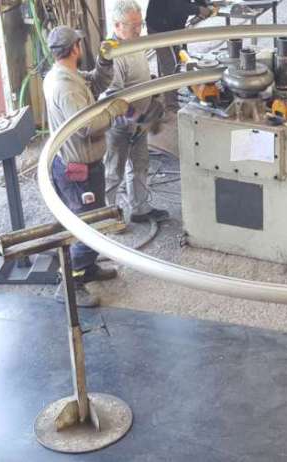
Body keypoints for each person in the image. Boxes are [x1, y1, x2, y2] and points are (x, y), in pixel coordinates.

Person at [43, 25, 132, 307]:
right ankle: (70, 283)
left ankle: (88, 268)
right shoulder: (66, 87)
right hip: (78, 172)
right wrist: (114, 110)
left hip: (84, 166)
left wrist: (105, 62)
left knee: (93, 220)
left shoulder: (65, 75)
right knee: (88, 227)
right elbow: (87, 126)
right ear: (75, 49)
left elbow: (94, 83)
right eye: (79, 44)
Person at [104, 0, 170, 224]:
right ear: (117, 25)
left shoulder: (135, 42)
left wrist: (152, 95)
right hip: (121, 126)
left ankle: (140, 209)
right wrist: (139, 118)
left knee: (140, 165)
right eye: (133, 25)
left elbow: (138, 77)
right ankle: (106, 216)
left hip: (139, 123)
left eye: (140, 24)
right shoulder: (113, 54)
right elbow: (114, 99)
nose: (138, 29)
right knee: (113, 172)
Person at [146, 0, 212, 111]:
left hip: (173, 25)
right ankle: (171, 106)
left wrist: (203, 5)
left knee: (175, 59)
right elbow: (175, 5)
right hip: (159, 27)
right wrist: (198, 9)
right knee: (170, 66)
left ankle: (168, 91)